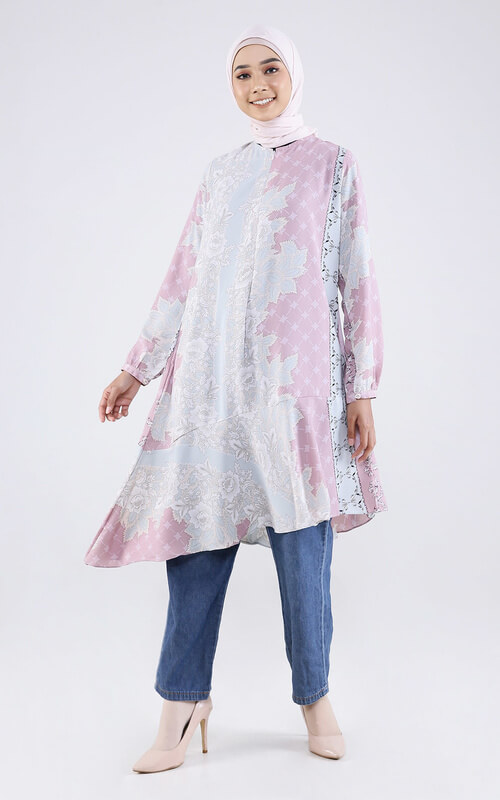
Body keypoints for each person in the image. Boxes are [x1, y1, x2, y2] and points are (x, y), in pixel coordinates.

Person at [84, 23, 388, 772]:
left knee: (303, 544)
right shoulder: (220, 173)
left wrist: (362, 387)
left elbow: (356, 277)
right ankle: (182, 702)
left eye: (270, 69)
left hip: (296, 389)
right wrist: (137, 369)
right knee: (194, 540)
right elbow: (184, 275)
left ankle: (314, 696)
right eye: (243, 74)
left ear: (294, 74)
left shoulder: (333, 164)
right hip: (209, 385)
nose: (257, 85)